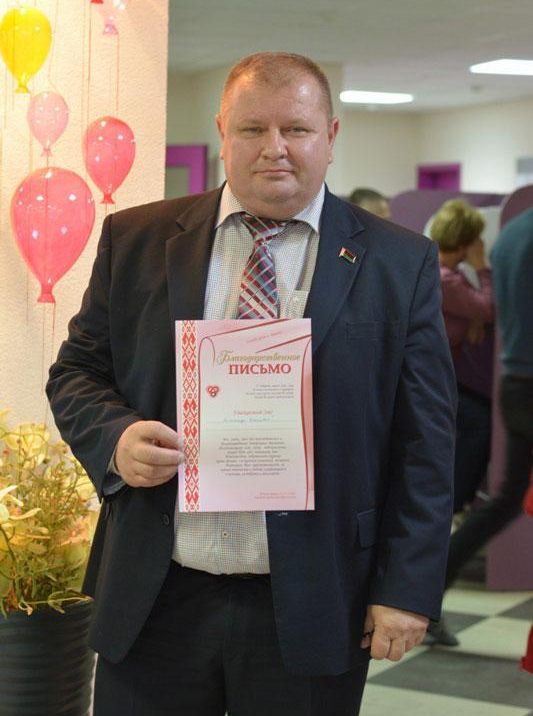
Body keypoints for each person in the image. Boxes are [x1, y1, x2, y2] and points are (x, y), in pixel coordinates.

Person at [46, 52, 456, 716]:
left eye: (295, 129)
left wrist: (405, 587)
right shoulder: (138, 238)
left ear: (330, 136)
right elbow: (77, 371)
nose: (274, 148)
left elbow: (425, 442)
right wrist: (116, 439)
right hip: (157, 593)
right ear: (222, 132)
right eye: (251, 129)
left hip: (317, 595)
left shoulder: (398, 261)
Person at [434, 207, 533, 647]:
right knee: (504, 498)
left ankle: (428, 592)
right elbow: (489, 306)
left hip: (516, 383)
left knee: (506, 501)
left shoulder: (513, 234)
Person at [430, 200, 494, 516]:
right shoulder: (446, 279)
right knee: (480, 423)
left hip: (443, 375)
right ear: (465, 243)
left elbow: (476, 309)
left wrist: (474, 318)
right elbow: (487, 307)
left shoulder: (444, 273)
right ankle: (454, 506)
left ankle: (459, 502)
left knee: (482, 415)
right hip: (432, 378)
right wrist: (482, 266)